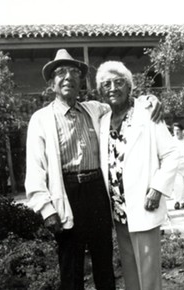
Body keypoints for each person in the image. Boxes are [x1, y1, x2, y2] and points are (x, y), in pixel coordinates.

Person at [25, 49, 162, 290]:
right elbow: (35, 168)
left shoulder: (96, 110)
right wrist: (46, 209)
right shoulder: (41, 119)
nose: (67, 77)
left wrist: (148, 100)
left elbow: (122, 100)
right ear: (52, 84)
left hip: (97, 191)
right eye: (60, 73)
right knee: (72, 266)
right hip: (66, 194)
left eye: (73, 72)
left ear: (81, 81)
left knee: (104, 263)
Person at [96, 60, 179, 290]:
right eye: (106, 84)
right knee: (130, 275)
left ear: (129, 86)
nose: (112, 88)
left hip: (143, 206)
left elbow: (172, 154)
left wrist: (158, 188)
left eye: (118, 82)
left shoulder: (147, 112)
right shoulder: (102, 120)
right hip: (119, 212)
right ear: (100, 91)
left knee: (149, 278)